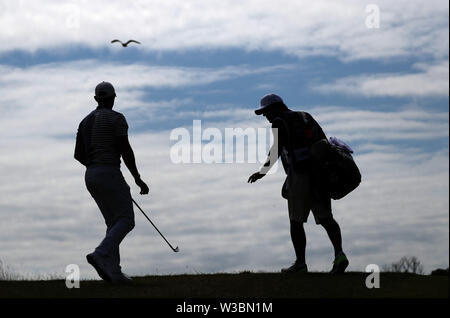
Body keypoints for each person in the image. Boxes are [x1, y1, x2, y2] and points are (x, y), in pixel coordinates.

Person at [248, 93, 349, 274]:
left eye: (266, 111)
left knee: (296, 221)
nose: (265, 116)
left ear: (277, 107)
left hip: (300, 175)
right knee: (326, 218)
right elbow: (323, 142)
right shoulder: (305, 116)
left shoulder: (279, 121)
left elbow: (276, 149)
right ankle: (339, 255)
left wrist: (262, 172)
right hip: (320, 174)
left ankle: (300, 264)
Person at [74, 81, 149, 283]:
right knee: (126, 220)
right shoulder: (117, 118)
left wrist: (95, 167)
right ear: (113, 98)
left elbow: (78, 154)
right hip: (109, 172)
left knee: (113, 223)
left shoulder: (85, 121)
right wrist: (137, 178)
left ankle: (113, 272)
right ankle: (101, 253)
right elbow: (125, 150)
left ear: (96, 99)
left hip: (90, 174)